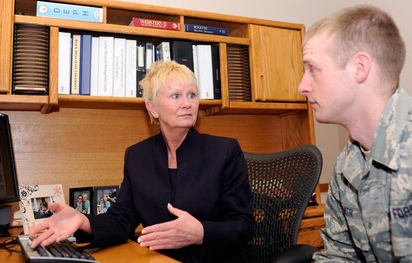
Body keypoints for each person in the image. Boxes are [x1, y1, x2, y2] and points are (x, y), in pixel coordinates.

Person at [29, 60, 254, 262]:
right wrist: (81, 220)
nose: (187, 103)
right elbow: (121, 221)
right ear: (153, 107)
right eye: (176, 96)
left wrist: (201, 232)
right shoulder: (137, 156)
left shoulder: (224, 151)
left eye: (192, 95)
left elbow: (243, 226)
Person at [298, 5, 412, 262]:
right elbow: (339, 255)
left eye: (312, 69)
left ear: (359, 68)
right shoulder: (347, 165)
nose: (302, 86)